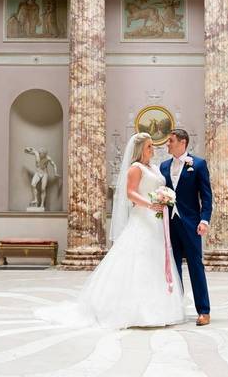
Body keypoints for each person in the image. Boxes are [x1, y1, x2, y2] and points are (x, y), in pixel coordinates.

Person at [34, 133, 185, 329]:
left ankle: (158, 309)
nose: (152, 149)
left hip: (156, 222)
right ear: (140, 149)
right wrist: (151, 205)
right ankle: (131, 310)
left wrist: (165, 198)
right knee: (138, 259)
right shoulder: (135, 168)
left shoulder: (154, 168)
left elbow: (159, 188)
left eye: (152, 146)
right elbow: (130, 193)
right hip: (142, 218)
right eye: (149, 146)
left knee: (154, 259)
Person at [161, 128, 213, 326]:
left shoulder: (198, 164)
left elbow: (206, 196)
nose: (167, 144)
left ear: (182, 142)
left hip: (191, 224)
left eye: (171, 141)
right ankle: (175, 309)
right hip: (168, 225)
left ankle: (204, 311)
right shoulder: (164, 166)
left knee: (195, 266)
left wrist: (204, 220)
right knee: (172, 268)